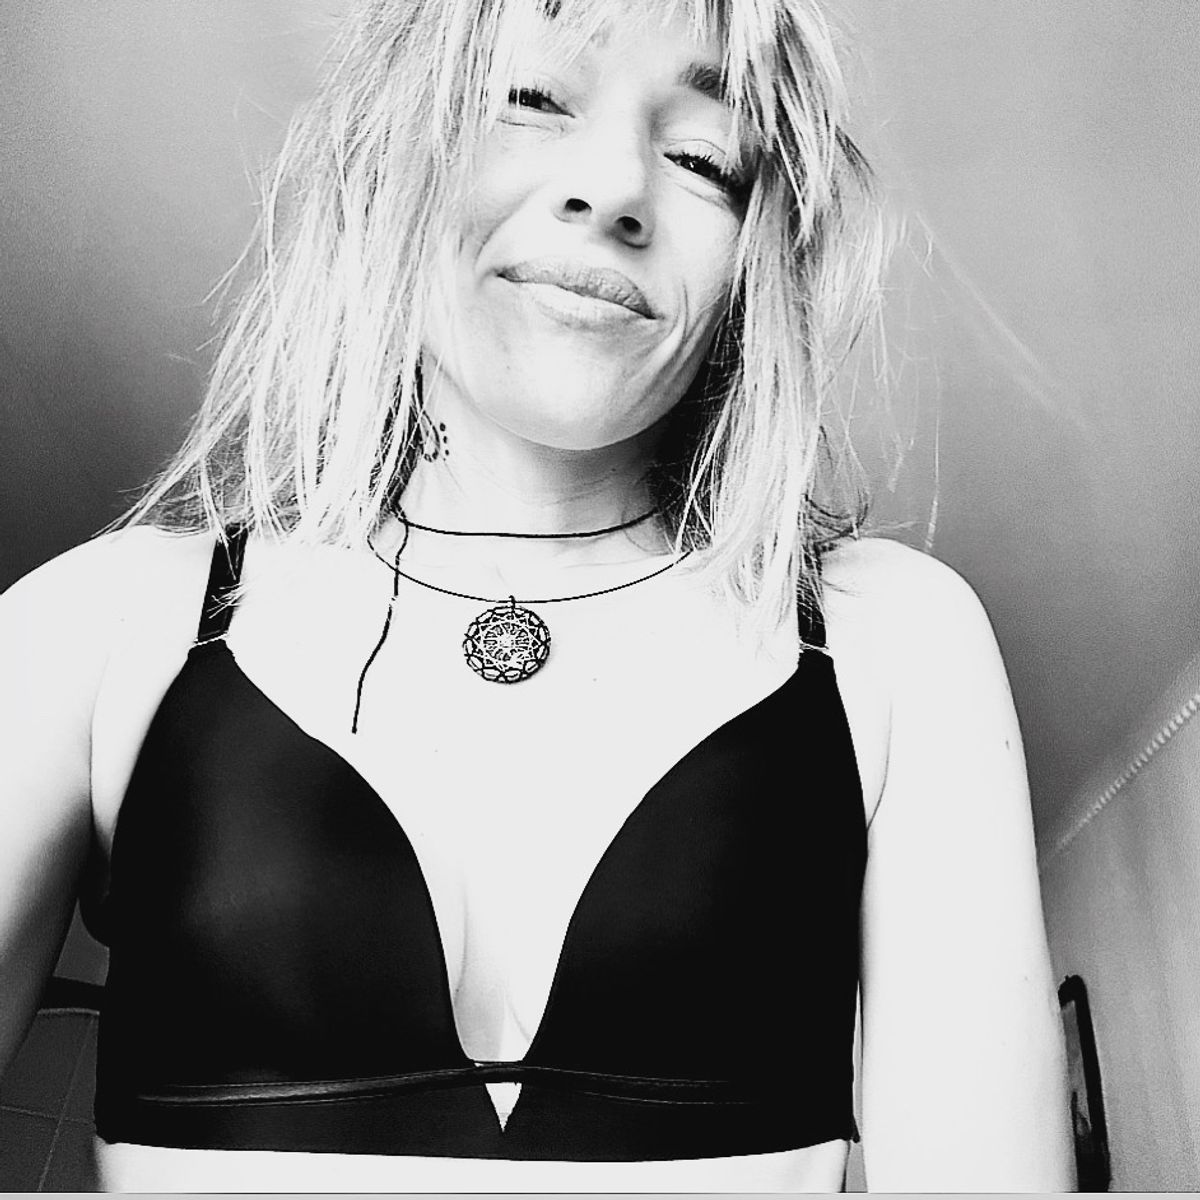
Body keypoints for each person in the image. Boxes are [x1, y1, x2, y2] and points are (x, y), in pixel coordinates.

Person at [0, 0, 1074, 1190]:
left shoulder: (891, 643)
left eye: (703, 157)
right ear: (388, 157)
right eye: (531, 99)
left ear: (754, 258)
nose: (613, 187)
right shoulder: (103, 628)